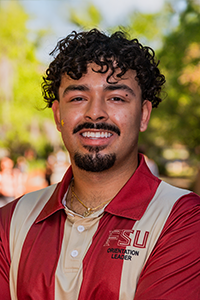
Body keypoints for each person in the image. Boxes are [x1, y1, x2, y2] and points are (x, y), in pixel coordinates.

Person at [0, 29, 199, 300]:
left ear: (143, 115)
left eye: (116, 98)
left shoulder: (184, 219)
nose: (95, 112)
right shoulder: (10, 221)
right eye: (78, 98)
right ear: (58, 116)